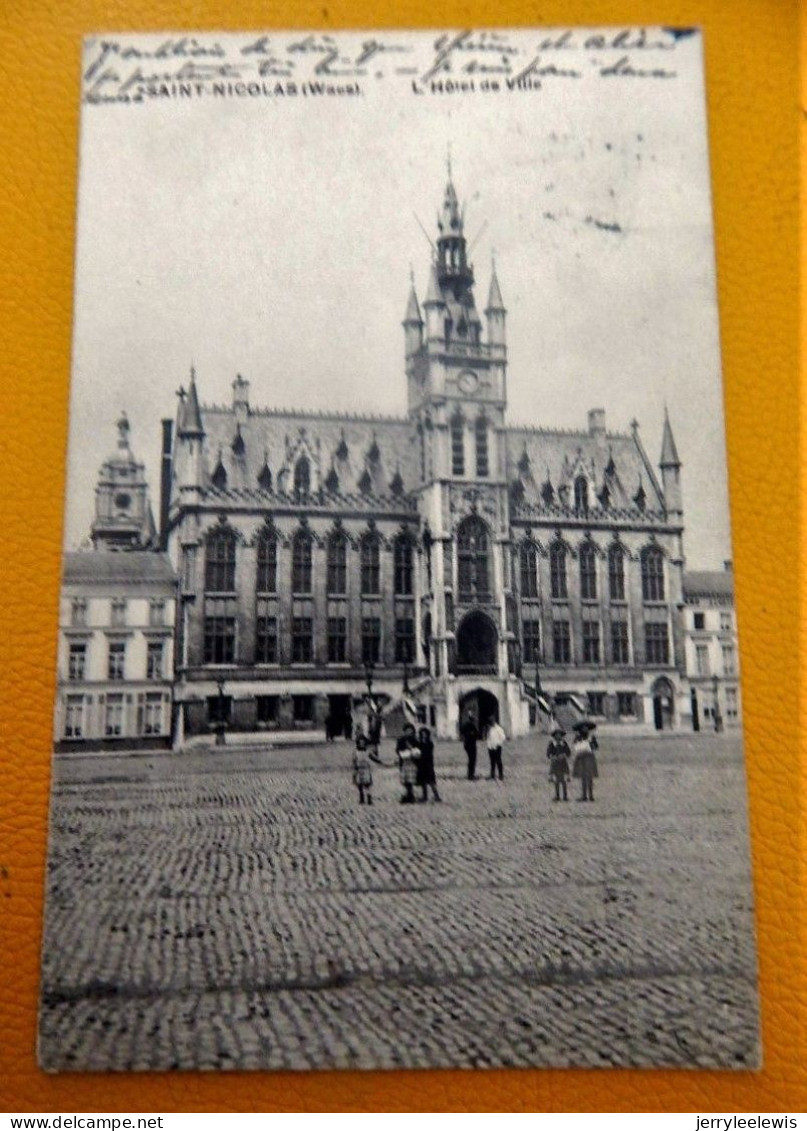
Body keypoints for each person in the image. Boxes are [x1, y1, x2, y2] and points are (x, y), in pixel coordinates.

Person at [571, 721, 599, 802]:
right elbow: (575, 747)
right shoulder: (577, 737)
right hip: (581, 757)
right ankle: (584, 795)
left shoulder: (591, 738)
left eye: (587, 728)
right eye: (583, 728)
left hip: (589, 757)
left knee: (589, 777)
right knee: (583, 777)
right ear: (580, 729)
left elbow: (596, 747)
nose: (585, 730)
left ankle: (591, 795)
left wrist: (591, 743)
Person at [416, 726, 441, 803]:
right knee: (423, 781)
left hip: (428, 764)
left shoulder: (429, 744)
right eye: (422, 734)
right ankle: (425, 796)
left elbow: (428, 753)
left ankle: (436, 796)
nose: (424, 735)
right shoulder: (419, 743)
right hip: (421, 765)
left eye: (425, 734)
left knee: (431, 781)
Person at [546, 725, 571, 801]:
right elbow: (548, 753)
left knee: (563, 781)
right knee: (556, 780)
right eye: (557, 734)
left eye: (560, 734)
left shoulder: (564, 743)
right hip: (555, 763)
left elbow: (568, 752)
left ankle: (565, 796)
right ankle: (557, 796)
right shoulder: (552, 744)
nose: (558, 736)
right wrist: (552, 756)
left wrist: (564, 755)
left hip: (563, 763)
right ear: (554, 736)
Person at [396, 722, 419, 804]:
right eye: (407, 731)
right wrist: (404, 752)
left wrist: (413, 751)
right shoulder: (401, 740)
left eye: (411, 731)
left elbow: (418, 750)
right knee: (405, 780)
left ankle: (410, 795)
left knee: (411, 779)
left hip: (412, 762)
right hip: (404, 762)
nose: (409, 732)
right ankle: (408, 795)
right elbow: (398, 750)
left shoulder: (415, 740)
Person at [352, 733, 373, 805]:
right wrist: (354, 770)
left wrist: (382, 762)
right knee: (359, 784)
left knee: (367, 784)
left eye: (363, 742)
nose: (362, 744)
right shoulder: (356, 752)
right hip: (359, 769)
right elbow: (354, 761)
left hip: (366, 769)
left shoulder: (368, 751)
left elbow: (374, 757)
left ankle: (369, 798)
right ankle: (362, 798)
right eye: (360, 742)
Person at [460, 713, 479, 780]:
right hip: (471, 745)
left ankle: (470, 774)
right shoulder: (471, 726)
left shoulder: (466, 725)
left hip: (467, 745)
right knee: (472, 760)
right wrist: (471, 734)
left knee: (471, 760)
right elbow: (476, 734)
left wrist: (464, 736)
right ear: (472, 720)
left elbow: (461, 731)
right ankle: (471, 775)